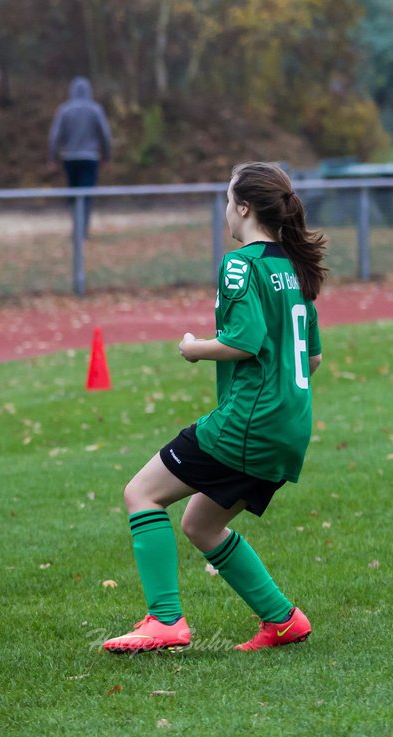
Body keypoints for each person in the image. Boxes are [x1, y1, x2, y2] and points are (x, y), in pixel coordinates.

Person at [102, 161, 326, 654]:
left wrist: (195, 346)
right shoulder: (294, 269)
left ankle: (164, 621)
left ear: (244, 208)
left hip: (249, 421)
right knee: (201, 524)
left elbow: (244, 341)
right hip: (289, 427)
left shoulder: (240, 263)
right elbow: (311, 355)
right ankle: (283, 620)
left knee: (141, 493)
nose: (225, 210)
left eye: (228, 200)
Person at [47, 76, 112, 236]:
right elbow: (105, 134)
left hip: (70, 158)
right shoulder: (95, 109)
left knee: (74, 195)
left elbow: (55, 136)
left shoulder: (65, 110)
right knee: (86, 194)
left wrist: (53, 157)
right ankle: (83, 230)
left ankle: (77, 228)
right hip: (90, 158)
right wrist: (107, 155)